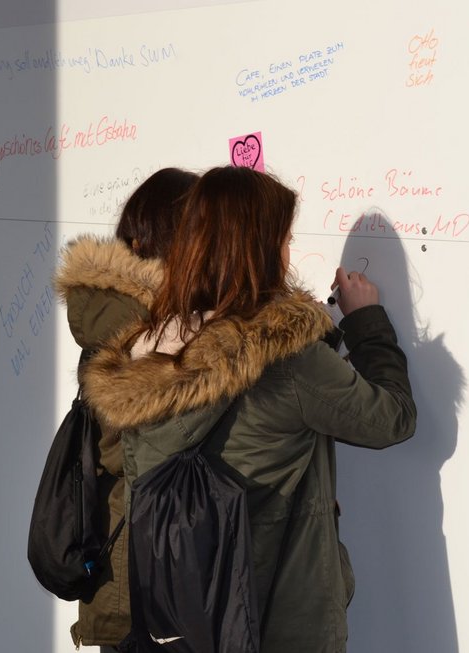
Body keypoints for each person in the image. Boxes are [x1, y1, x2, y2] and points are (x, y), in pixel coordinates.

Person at [80, 165, 417, 652]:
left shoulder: (145, 350)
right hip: (277, 625)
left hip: (185, 624)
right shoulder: (287, 361)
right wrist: (366, 323)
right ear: (257, 250)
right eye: (284, 239)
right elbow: (392, 419)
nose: (288, 254)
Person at [53, 167, 199, 651]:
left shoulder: (128, 317)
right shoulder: (147, 330)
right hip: (143, 562)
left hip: (133, 555)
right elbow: (133, 448)